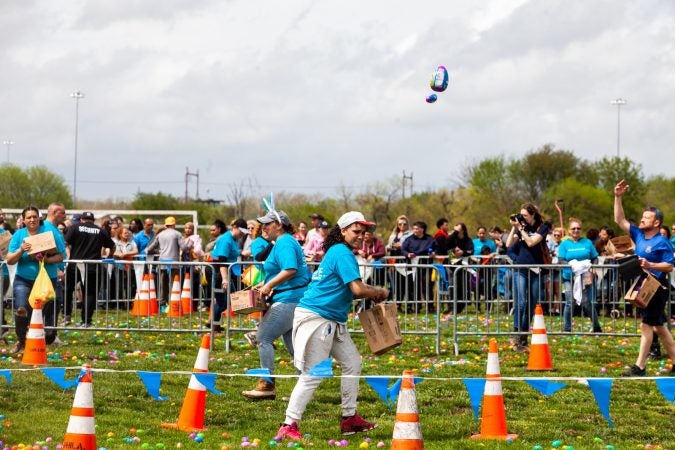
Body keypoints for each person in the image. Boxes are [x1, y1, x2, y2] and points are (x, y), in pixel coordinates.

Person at [276, 211, 389, 441]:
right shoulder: (342, 252)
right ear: (343, 230)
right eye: (356, 231)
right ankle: (288, 424)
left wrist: (369, 291)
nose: (361, 236)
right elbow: (357, 290)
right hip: (318, 317)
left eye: (363, 232)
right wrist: (378, 291)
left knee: (352, 362)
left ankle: (349, 418)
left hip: (332, 319)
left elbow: (351, 287)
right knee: (314, 373)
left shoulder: (340, 252)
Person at [241, 210, 311, 400]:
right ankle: (303, 391)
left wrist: (269, 285)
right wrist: (265, 283)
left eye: (267, 224)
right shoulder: (284, 242)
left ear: (279, 225)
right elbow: (285, 272)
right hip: (293, 297)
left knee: (263, 337)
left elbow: (290, 269)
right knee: (293, 347)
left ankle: (267, 385)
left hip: (289, 299)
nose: (263, 228)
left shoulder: (284, 242)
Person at [614, 180, 675, 376]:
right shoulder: (639, 235)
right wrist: (618, 197)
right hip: (644, 284)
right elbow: (620, 220)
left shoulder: (662, 242)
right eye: (642, 217)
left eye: (646, 218)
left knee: (647, 325)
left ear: (656, 223)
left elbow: (670, 265)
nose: (641, 220)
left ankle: (640, 367)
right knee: (659, 327)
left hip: (657, 287)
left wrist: (651, 265)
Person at [6, 206, 66, 353]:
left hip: (46, 280)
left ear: (39, 218)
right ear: (23, 220)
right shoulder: (19, 235)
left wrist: (47, 259)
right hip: (23, 280)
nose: (32, 220)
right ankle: (22, 341)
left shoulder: (50, 233)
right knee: (21, 310)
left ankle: (38, 344)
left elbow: (61, 256)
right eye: (29, 217)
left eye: (35, 216)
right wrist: (21, 250)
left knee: (37, 313)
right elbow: (10, 260)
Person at [506, 203, 550, 352]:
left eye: (524, 215)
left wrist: (521, 229)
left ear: (533, 215)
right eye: (520, 215)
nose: (521, 218)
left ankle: (523, 335)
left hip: (536, 269)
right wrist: (514, 226)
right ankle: (518, 334)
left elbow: (531, 242)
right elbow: (508, 243)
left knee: (531, 304)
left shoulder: (542, 227)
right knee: (521, 302)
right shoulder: (521, 228)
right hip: (521, 268)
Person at [63, 211, 116, 327]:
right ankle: (86, 321)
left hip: (74, 264)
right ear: (93, 220)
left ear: (82, 219)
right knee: (90, 294)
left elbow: (64, 242)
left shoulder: (75, 228)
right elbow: (112, 246)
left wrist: (67, 254)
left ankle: (66, 316)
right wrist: (110, 256)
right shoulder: (100, 231)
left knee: (67, 289)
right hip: (92, 266)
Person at [557, 217, 602, 333]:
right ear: (569, 230)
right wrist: (573, 266)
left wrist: (593, 267)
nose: (576, 230)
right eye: (573, 228)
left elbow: (595, 258)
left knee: (587, 302)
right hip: (569, 277)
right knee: (569, 302)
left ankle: (597, 327)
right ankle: (567, 328)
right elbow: (561, 259)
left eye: (578, 228)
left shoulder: (587, 242)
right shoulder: (564, 244)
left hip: (585, 276)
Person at [209, 218, 248, 332]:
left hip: (225, 271)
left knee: (228, 300)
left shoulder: (233, 239)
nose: (242, 235)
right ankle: (213, 326)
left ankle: (213, 323)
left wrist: (242, 253)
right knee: (223, 301)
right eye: (241, 231)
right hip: (218, 272)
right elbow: (222, 260)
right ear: (234, 228)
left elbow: (232, 253)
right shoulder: (226, 239)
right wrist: (225, 279)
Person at [146, 216, 186, 303]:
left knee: (162, 283)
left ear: (166, 225)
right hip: (174, 262)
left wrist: (159, 251)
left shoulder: (160, 234)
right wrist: (190, 245)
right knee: (174, 283)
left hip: (162, 262)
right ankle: (173, 302)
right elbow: (184, 247)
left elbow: (149, 249)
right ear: (174, 224)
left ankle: (162, 302)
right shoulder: (177, 234)